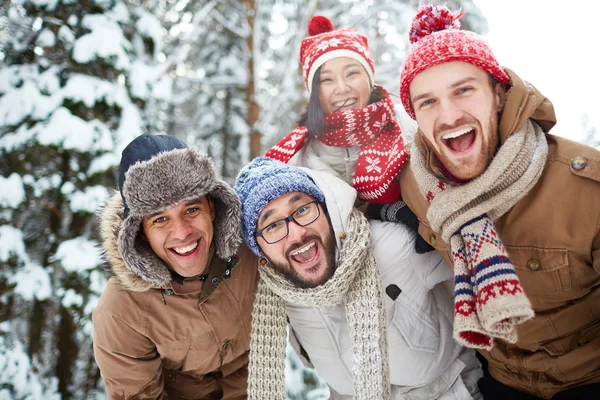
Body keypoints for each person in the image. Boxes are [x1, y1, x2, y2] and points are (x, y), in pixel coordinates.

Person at [394, 4, 600, 399]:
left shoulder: (586, 189)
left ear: (500, 93)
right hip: (498, 381)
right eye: (428, 102)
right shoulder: (418, 186)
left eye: (464, 90)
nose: (449, 115)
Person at [234, 157, 483, 399]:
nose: (297, 233)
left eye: (302, 209)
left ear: (325, 209)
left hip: (448, 389)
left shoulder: (392, 246)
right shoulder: (273, 296)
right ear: (258, 249)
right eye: (272, 226)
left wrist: (426, 223)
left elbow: (477, 267)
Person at [92, 134, 258, 399]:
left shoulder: (252, 248)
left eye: (191, 210)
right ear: (141, 233)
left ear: (211, 208)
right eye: (160, 219)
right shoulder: (122, 310)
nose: (181, 233)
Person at [264, 15, 432, 252]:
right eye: (327, 79)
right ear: (314, 93)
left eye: (352, 73)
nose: (342, 88)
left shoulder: (412, 127)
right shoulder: (295, 160)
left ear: (369, 79)